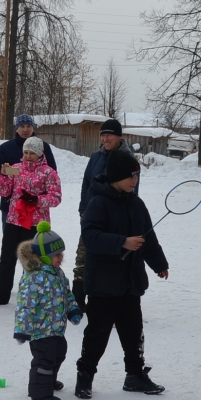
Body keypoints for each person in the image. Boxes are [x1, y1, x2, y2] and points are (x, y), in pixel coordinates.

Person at [75, 153, 169, 399]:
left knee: (133, 332)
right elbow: (90, 237)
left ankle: (135, 375)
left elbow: (148, 238)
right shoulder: (98, 203)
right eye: (130, 175)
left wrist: (158, 263)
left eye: (137, 175)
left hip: (130, 283)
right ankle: (85, 375)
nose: (134, 180)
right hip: (103, 285)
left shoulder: (137, 204)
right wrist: (122, 242)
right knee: (98, 333)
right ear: (116, 176)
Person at [0, 115, 58, 306]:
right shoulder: (16, 168)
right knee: (7, 257)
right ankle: (0, 295)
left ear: (39, 153)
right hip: (14, 218)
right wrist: (3, 175)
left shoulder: (47, 172)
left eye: (32, 153)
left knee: (33, 259)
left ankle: (33, 296)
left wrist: (37, 199)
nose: (28, 156)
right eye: (25, 152)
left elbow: (56, 197)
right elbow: (2, 191)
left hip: (36, 222)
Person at [14, 222, 84, 400]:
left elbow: (66, 294)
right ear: (44, 256)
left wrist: (73, 309)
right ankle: (39, 393)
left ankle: (48, 382)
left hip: (56, 328)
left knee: (59, 353)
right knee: (44, 360)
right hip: (39, 331)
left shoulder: (57, 273)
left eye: (61, 253)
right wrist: (22, 330)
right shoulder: (33, 277)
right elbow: (24, 305)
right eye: (56, 255)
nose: (61, 258)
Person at [73, 118, 137, 306]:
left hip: (114, 218)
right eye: (103, 135)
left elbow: (131, 190)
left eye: (109, 135)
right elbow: (86, 184)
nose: (105, 139)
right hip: (91, 216)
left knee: (110, 258)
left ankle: (106, 299)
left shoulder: (128, 159)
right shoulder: (96, 157)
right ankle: (77, 299)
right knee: (83, 255)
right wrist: (83, 210)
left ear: (119, 136)